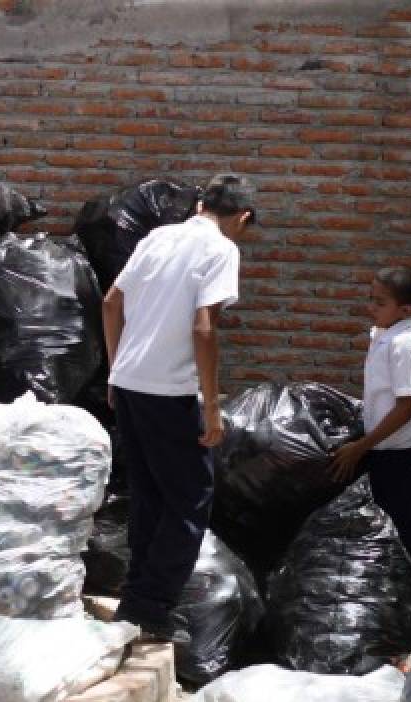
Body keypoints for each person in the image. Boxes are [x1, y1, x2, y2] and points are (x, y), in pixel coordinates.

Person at [101, 174, 256, 643]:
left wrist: (116, 369)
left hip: (129, 385)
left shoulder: (158, 236)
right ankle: (149, 609)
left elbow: (111, 303)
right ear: (242, 218)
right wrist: (212, 407)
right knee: (189, 502)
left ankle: (135, 601)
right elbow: (204, 329)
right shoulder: (222, 250)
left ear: (201, 204)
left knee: (149, 496)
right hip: (171, 393)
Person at [330, 268, 411, 653]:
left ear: (406, 308)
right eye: (370, 298)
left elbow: (405, 409)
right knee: (388, 541)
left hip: (402, 459)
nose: (371, 308)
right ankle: (398, 629)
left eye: (379, 303)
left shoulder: (404, 345)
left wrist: (361, 446)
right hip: (386, 455)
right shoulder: (385, 336)